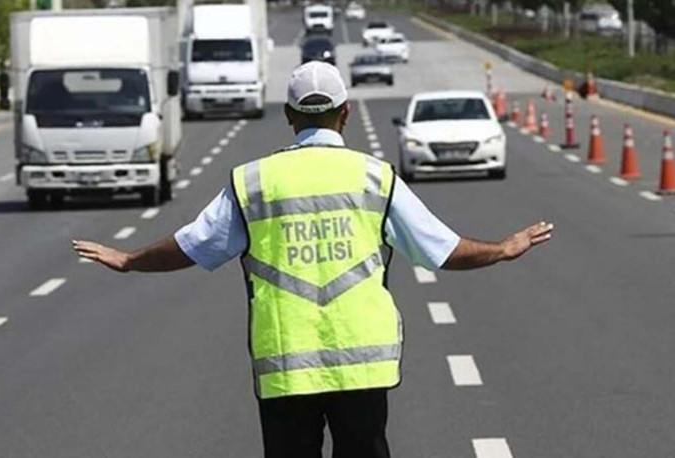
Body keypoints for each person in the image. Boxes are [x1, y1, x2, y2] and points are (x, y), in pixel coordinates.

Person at [72, 61, 553, 458]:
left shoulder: (254, 182)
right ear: (345, 114)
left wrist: (130, 258)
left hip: (286, 368)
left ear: (288, 115)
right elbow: (441, 249)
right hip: (362, 366)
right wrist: (502, 249)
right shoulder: (374, 178)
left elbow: (193, 245)